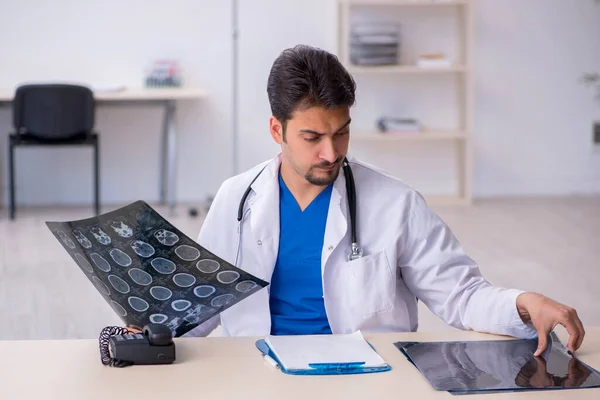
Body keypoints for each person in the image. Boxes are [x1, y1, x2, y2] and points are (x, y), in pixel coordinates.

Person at [185, 44, 585, 356]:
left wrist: (524, 303)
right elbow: (198, 311)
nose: (331, 152)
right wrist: (150, 328)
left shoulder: (395, 203)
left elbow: (460, 296)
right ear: (277, 130)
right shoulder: (235, 199)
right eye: (312, 138)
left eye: (341, 132)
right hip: (258, 370)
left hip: (367, 375)